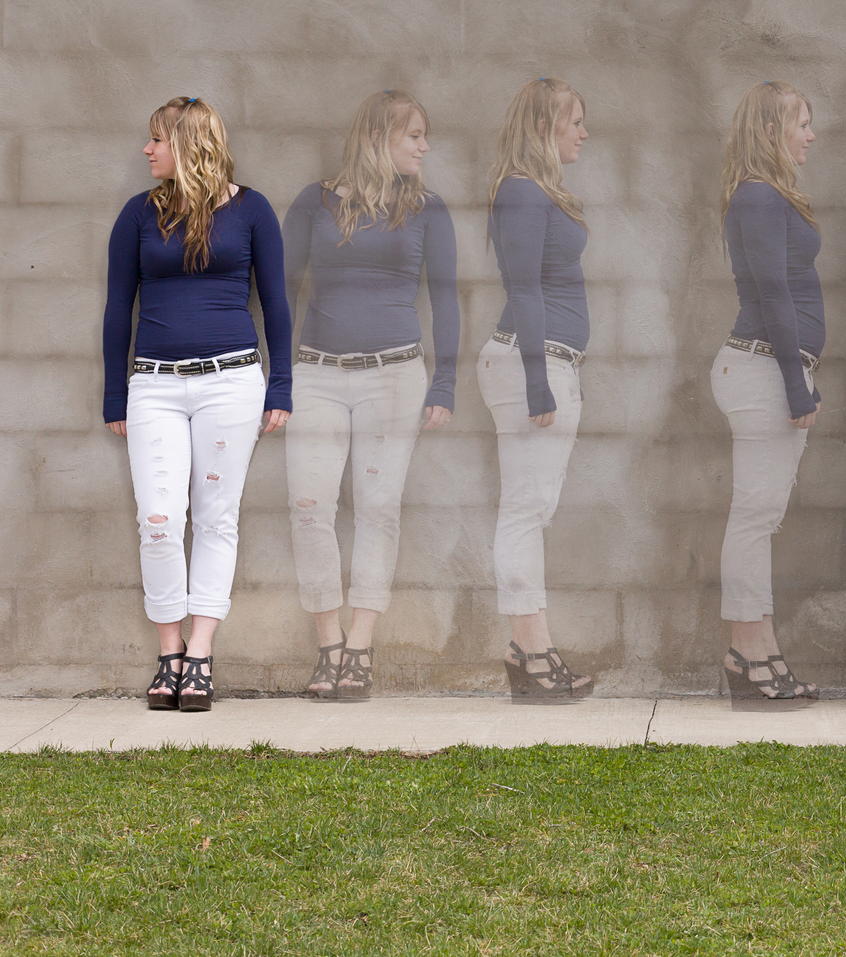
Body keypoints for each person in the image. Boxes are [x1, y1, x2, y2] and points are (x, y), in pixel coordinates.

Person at [102, 96, 292, 712]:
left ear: (188, 144)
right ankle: (170, 652)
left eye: (157, 139)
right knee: (159, 520)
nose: (147, 149)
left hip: (231, 383)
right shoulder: (138, 214)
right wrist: (115, 393)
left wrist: (281, 385)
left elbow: (276, 302)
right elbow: (118, 307)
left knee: (216, 518)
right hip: (154, 385)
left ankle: (201, 655)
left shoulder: (252, 209)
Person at [282, 89, 459, 700]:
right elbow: (280, 291)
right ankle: (328, 645)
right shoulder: (315, 202)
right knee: (310, 507)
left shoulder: (428, 208)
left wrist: (445, 379)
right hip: (316, 374)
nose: (424, 147)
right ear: (380, 137)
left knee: (378, 508)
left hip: (394, 376)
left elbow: (447, 298)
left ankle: (360, 646)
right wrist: (277, 377)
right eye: (415, 135)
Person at [479, 76, 595, 700]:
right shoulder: (522, 191)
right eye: (575, 122)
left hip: (549, 361)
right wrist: (537, 384)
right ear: (546, 126)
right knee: (524, 512)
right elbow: (522, 286)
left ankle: (527, 649)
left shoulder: (536, 190)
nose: (583, 133)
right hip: (534, 363)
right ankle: (534, 650)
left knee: (533, 510)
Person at [715, 81, 824, 710]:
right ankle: (748, 652)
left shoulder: (767, 194)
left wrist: (801, 372)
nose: (810, 135)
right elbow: (773, 292)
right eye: (801, 123)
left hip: (771, 367)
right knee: (754, 518)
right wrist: (793, 382)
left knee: (760, 517)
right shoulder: (757, 195)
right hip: (761, 368)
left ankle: (758, 648)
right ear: (769, 130)